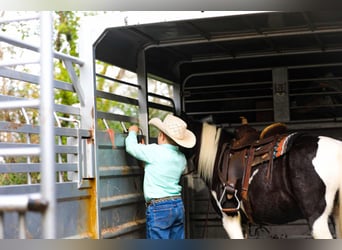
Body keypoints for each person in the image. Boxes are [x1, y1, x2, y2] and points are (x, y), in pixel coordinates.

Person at [125, 114, 196, 239]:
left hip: (159, 207)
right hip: (177, 205)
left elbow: (131, 148)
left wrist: (132, 132)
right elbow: (163, 169)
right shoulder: (182, 158)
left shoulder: (153, 151)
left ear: (161, 136)